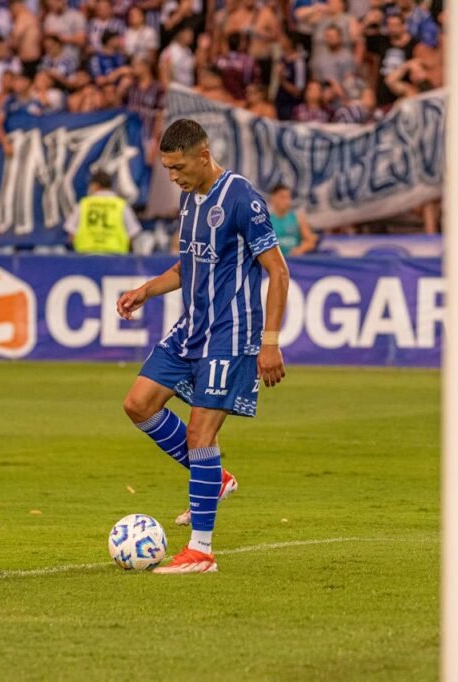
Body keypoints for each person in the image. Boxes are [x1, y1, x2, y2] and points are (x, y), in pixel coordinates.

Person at [117, 119, 289, 574]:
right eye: (168, 169)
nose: (173, 177)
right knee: (138, 404)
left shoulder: (242, 198)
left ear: (202, 155)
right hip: (191, 328)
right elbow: (187, 264)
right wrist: (147, 290)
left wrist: (268, 344)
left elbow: (278, 271)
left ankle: (201, 551)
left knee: (200, 436)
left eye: (178, 167)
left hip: (231, 333)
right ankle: (215, 479)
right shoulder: (189, 196)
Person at [65, 171, 142, 254]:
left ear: (95, 186)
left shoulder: (84, 204)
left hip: (86, 257)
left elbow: (71, 232)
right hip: (115, 258)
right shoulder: (121, 205)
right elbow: (133, 232)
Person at [268, 183, 317, 255]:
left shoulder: (297, 219)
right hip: (275, 262)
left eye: (288, 197)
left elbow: (310, 241)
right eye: (282, 197)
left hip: (293, 262)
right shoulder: (266, 221)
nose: (286, 201)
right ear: (273, 198)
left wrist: (299, 249)